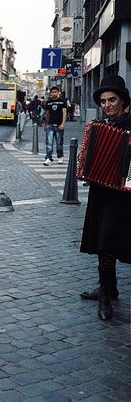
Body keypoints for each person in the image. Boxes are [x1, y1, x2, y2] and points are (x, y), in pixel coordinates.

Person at [79, 74, 131, 321]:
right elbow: (89, 157)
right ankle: (106, 292)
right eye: (103, 101)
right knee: (104, 243)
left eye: (112, 100)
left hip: (125, 195)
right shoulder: (99, 127)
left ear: (123, 100)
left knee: (116, 240)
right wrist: (85, 167)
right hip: (102, 193)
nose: (107, 105)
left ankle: (108, 290)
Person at [43, 86, 67, 165]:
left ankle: (60, 156)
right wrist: (46, 125)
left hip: (59, 125)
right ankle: (48, 158)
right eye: (52, 92)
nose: (54, 93)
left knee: (59, 143)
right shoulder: (48, 102)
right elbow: (47, 114)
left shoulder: (62, 101)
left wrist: (63, 124)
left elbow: (64, 113)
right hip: (50, 125)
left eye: (55, 92)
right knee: (49, 143)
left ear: (58, 92)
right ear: (50, 93)